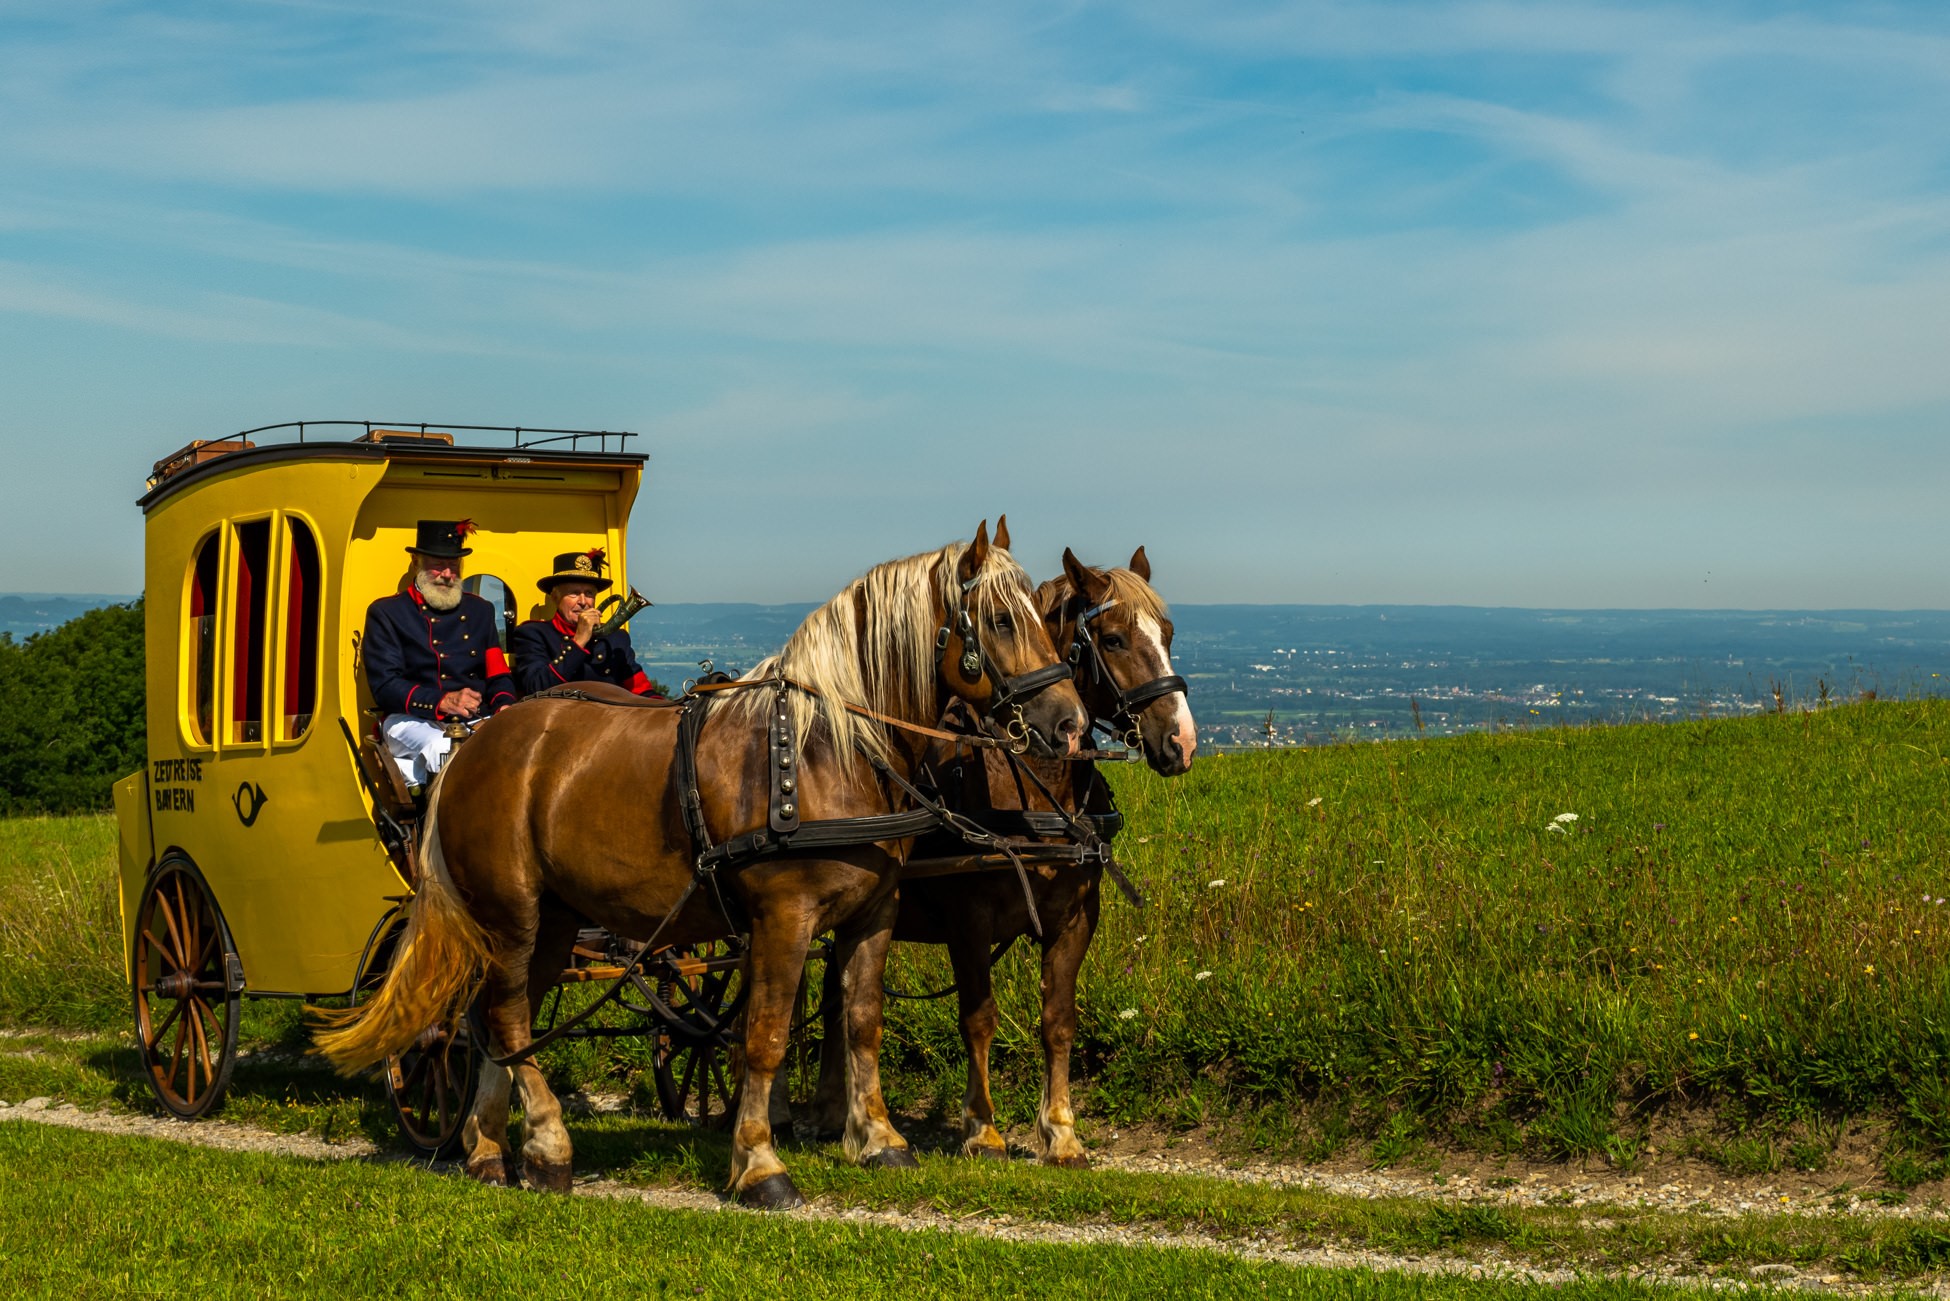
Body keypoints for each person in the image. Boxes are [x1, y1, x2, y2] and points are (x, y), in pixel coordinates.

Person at [363, 519, 517, 789]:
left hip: (475, 718)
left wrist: (504, 707)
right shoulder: (388, 613)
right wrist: (442, 701)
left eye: (454, 565)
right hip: (411, 719)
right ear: (416, 562)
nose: (447, 574)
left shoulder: (481, 610)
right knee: (444, 749)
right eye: (438, 565)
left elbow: (498, 674)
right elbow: (385, 686)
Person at [511, 548, 660, 697]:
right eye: (574, 593)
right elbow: (537, 688)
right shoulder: (533, 634)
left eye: (589, 594)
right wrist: (578, 641)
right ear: (555, 598)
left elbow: (641, 689)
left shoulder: (615, 638)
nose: (583, 602)